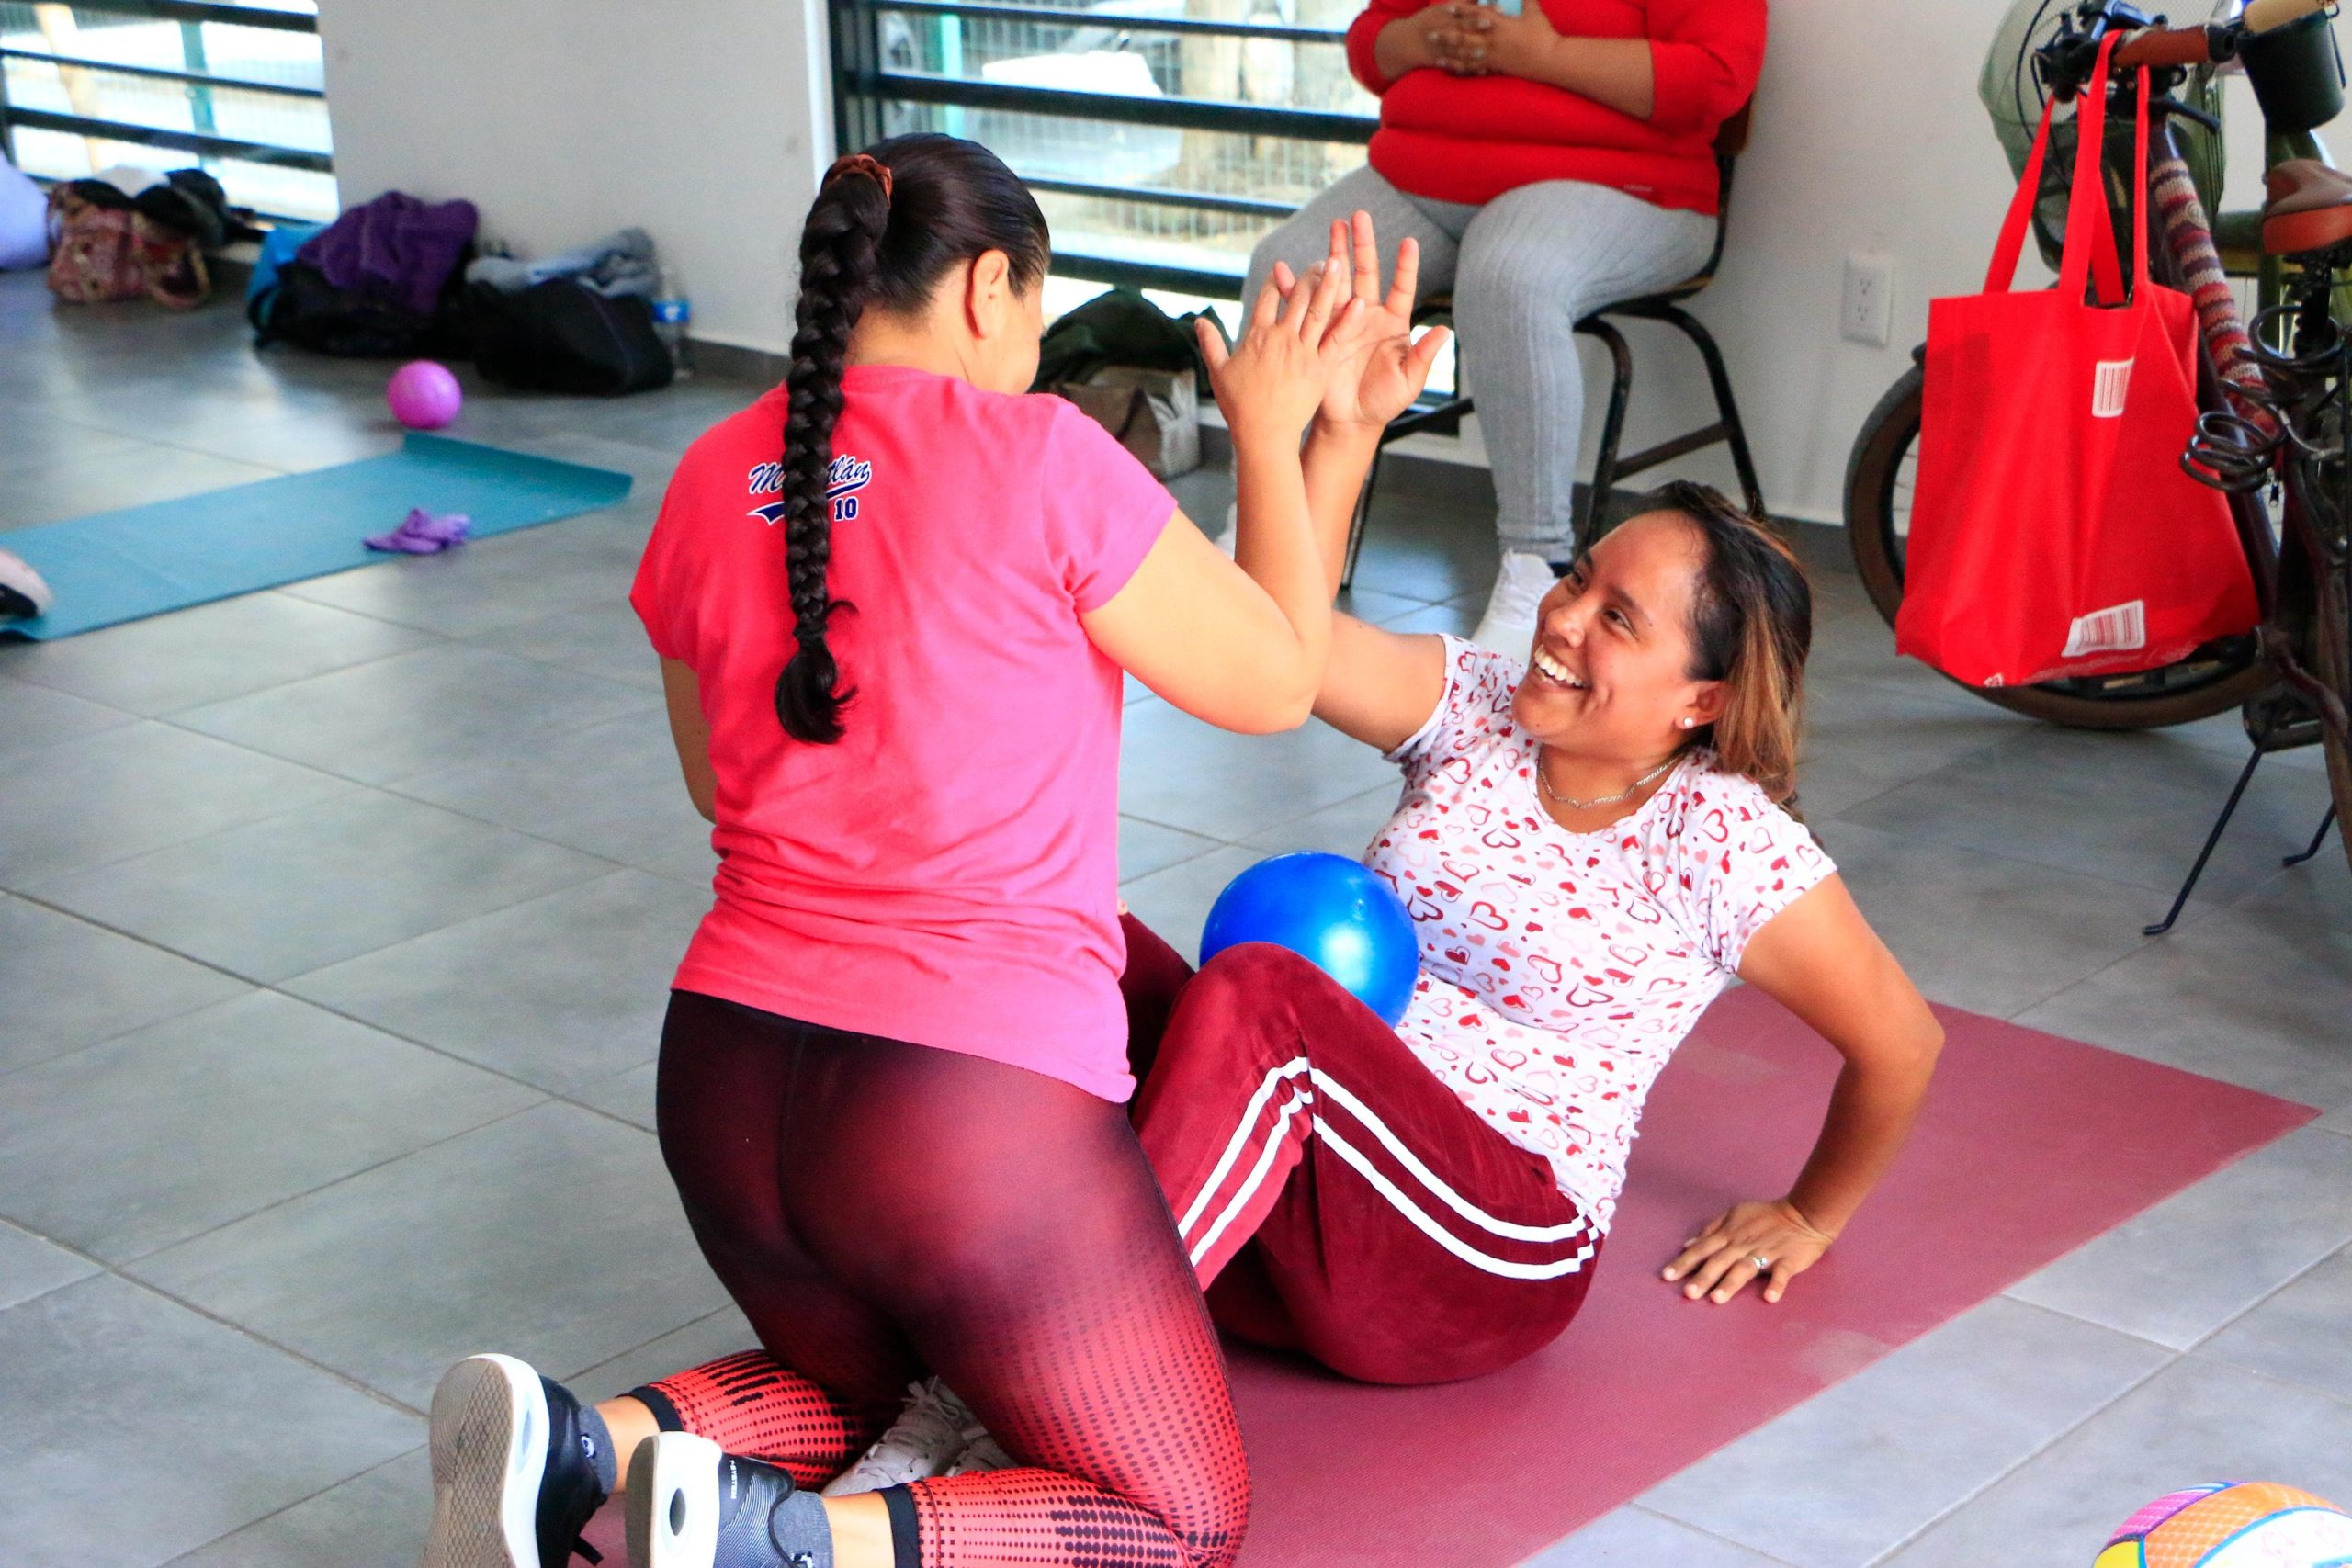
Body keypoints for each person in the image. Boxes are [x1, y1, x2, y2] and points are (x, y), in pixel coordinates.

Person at [413, 136, 1447, 1568]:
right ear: (983, 287)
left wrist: (1331, 444)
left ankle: (587, 1444)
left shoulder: (716, 471)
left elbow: (723, 786)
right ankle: (781, 1545)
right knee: (1176, 1507)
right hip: (962, 1115)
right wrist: (1277, 437)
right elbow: (1275, 685)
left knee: (865, 1392)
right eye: (1034, 308)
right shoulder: (1041, 455)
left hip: (725, 1080)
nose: (1031, 343)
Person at [1112, 474, 1945, 1388]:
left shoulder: (1720, 836)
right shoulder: (1475, 703)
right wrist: (1337, 439)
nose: (1564, 618)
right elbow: (1280, 653)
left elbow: (1901, 1043)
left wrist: (1808, 1218)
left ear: (1701, 700)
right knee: (1081, 929)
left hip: (1482, 1254)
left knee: (1260, 993)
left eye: (1618, 618)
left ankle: (1077, 1359)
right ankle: (1007, 1302)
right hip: (1301, 1212)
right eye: (1578, 580)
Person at [1236, 0, 1767, 656]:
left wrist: (1536, 57)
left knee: (1508, 276)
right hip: (1420, 180)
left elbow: (1713, 81)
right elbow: (1370, 45)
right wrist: (1419, 39)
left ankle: (1534, 569)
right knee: (1286, 267)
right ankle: (1260, 531)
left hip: (1620, 185)